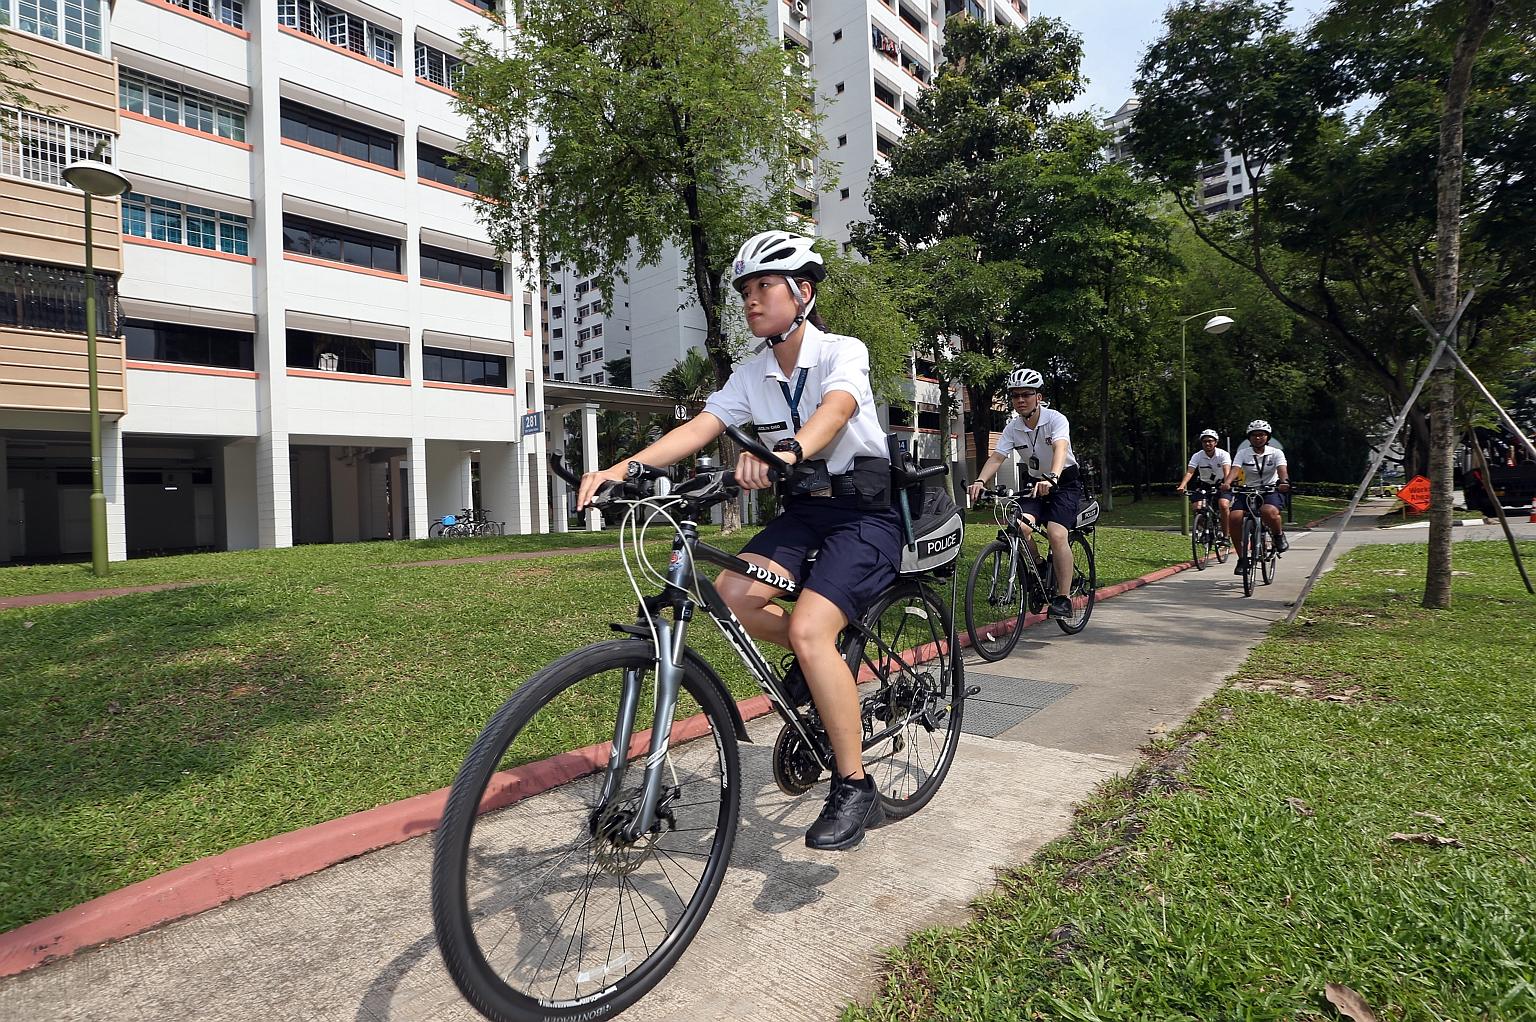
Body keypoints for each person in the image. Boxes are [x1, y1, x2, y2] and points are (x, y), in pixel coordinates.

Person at [575, 230, 900, 852]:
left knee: (808, 629)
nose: (751, 301)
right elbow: (701, 426)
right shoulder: (750, 375)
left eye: (764, 288)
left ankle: (853, 785)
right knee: (732, 595)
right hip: (804, 512)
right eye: (745, 291)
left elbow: (835, 409)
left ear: (802, 292)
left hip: (865, 515)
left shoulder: (841, 351)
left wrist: (788, 449)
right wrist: (624, 468)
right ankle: (818, 662)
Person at [967, 367, 1082, 619]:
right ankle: (1039, 567)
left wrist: (1052, 476)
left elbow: (1061, 448)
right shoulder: (1012, 428)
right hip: (1035, 485)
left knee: (1056, 532)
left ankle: (1063, 597)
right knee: (1019, 527)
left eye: (1026, 395)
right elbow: (997, 457)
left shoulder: (1055, 419)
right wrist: (979, 481)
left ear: (1038, 397)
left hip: (1064, 483)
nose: (1020, 400)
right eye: (1015, 395)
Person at [1222, 419, 1291, 574]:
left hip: (1270, 490)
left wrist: (1284, 481)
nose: (1258, 438)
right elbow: (1235, 469)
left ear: (1267, 437)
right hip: (1248, 491)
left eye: (1261, 435)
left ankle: (1278, 536)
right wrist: (1227, 482)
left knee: (1268, 512)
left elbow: (1282, 469)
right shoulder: (1243, 453)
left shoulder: (1276, 453)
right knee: (1234, 518)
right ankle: (1242, 559)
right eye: (1254, 435)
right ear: (1249, 437)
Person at [1177, 429, 1232, 521]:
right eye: (1205, 441)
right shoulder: (1197, 456)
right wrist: (1182, 486)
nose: (1207, 444)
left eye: (1210, 441)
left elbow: (1226, 470)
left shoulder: (1223, 454)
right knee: (1197, 508)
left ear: (1215, 442)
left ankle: (1225, 531)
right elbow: (1190, 472)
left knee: (1223, 506)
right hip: (1204, 485)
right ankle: (1201, 529)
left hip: (1221, 484)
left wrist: (1226, 484)